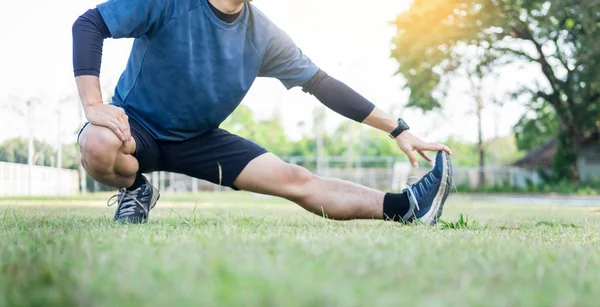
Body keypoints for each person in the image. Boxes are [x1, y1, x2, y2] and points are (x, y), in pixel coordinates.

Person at [72, 0, 453, 225]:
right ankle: (136, 189)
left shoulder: (263, 34)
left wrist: (398, 130)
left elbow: (323, 84)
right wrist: (94, 105)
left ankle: (406, 206)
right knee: (97, 142)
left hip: (200, 139)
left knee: (295, 178)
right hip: (135, 127)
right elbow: (90, 23)